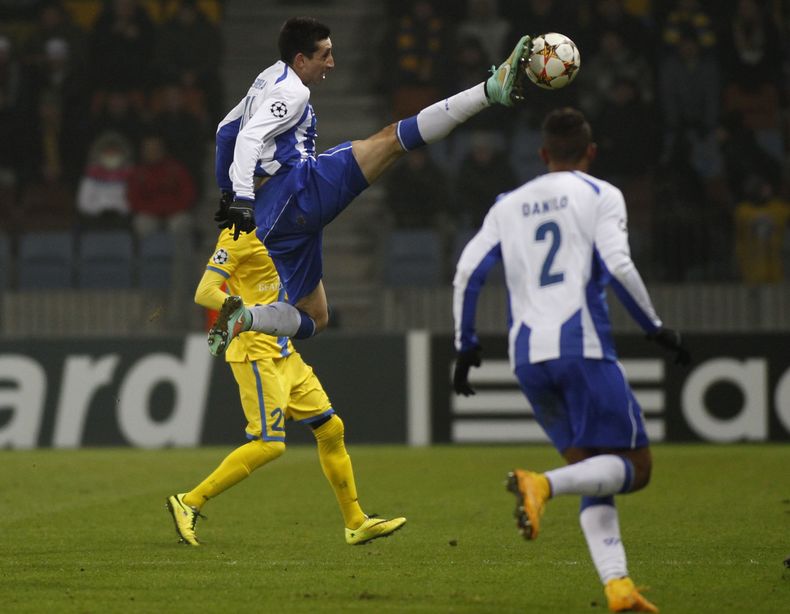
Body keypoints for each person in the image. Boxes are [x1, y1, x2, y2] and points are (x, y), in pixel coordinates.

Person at [451, 108, 691, 612]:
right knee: (636, 468)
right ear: (591, 153)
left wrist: (465, 344)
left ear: (542, 155)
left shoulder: (507, 203)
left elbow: (468, 271)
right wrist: (655, 328)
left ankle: (618, 587)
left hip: (527, 360)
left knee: (596, 468)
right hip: (580, 348)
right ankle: (540, 485)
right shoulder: (601, 193)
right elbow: (619, 264)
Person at [207, 16, 532, 356]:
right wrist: (241, 196)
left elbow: (225, 131)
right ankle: (490, 90)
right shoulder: (292, 91)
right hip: (299, 192)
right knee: (393, 139)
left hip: (274, 215)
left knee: (315, 316)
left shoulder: (266, 78)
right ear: (300, 60)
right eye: (324, 55)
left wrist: (229, 192)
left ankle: (245, 317)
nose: (331, 63)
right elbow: (247, 137)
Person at [166, 226, 406, 546]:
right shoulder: (238, 235)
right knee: (270, 444)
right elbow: (204, 291)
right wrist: (241, 313)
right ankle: (190, 501)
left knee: (331, 428)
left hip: (283, 350)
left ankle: (356, 522)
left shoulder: (283, 227)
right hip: (255, 352)